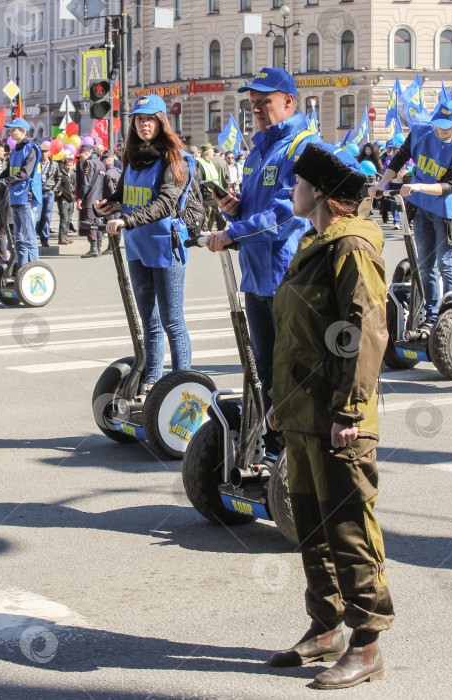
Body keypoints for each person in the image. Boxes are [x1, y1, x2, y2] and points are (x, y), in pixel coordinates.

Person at [267, 142, 393, 689]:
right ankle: (327, 625)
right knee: (312, 525)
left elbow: (366, 332)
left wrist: (351, 410)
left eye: (297, 183)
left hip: (339, 414)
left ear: (319, 192)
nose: (290, 191)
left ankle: (366, 645)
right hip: (304, 411)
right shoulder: (315, 243)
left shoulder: (351, 249)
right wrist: (282, 400)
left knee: (348, 528)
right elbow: (303, 334)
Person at [206, 66, 321, 456]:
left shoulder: (303, 146)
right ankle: (271, 446)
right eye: (252, 102)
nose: (256, 108)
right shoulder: (258, 151)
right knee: (263, 367)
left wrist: (231, 234)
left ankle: (293, 450)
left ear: (289, 102)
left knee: (288, 369)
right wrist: (234, 211)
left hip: (287, 275)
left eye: (264, 101)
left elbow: (284, 214)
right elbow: (255, 212)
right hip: (256, 276)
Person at [94, 94, 196, 391]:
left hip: (165, 247)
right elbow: (127, 196)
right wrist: (111, 205)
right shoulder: (132, 157)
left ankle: (182, 386)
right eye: (139, 118)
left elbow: (165, 203)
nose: (144, 124)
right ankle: (152, 382)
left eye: (150, 118)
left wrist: (127, 219)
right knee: (148, 323)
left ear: (162, 122)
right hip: (138, 246)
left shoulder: (175, 159)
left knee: (172, 322)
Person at [371, 98, 452, 332]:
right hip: (422, 206)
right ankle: (432, 316)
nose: (441, 129)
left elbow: (450, 185)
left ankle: (451, 315)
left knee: (445, 261)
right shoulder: (420, 132)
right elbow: (400, 158)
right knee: (425, 264)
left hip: (446, 208)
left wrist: (420, 186)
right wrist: (380, 184)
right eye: (438, 123)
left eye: (446, 125)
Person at [0, 117, 43, 269]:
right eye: (10, 130)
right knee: (18, 239)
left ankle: (34, 269)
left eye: (13, 130)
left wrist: (2, 183)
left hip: (27, 197)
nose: (10, 133)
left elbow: (25, 174)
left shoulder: (31, 148)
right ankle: (22, 268)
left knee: (29, 238)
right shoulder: (14, 151)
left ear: (23, 131)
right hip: (15, 197)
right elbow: (7, 171)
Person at [77, 143, 105, 258]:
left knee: (90, 223)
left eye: (81, 157)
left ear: (86, 153)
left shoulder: (89, 163)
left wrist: (80, 198)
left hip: (90, 199)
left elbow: (86, 184)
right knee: (97, 222)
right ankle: (98, 246)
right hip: (99, 198)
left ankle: (94, 247)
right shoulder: (101, 164)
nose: (80, 160)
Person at [36, 143, 61, 247]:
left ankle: (45, 238)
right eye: (42, 152)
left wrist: (54, 190)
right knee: (37, 217)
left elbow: (59, 178)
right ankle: (35, 236)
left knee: (47, 216)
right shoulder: (36, 163)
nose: (44, 154)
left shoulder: (54, 164)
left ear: (49, 153)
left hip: (49, 192)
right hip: (38, 192)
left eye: (45, 152)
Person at [99, 149, 122, 254]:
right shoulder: (117, 172)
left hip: (111, 204)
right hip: (117, 204)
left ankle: (112, 246)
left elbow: (111, 190)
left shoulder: (107, 174)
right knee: (117, 224)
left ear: (106, 161)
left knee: (111, 225)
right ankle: (114, 245)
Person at [195, 144, 220, 231]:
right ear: (207, 152)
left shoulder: (210, 163)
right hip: (205, 198)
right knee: (204, 223)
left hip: (213, 197)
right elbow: (196, 181)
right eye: (212, 150)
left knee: (211, 222)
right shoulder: (199, 162)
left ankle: (207, 236)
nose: (213, 152)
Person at [55, 156, 76, 245]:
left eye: (71, 165)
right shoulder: (61, 175)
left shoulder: (73, 175)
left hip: (71, 200)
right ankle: (61, 238)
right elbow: (56, 186)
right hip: (63, 200)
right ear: (64, 165)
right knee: (64, 219)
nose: (69, 167)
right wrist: (57, 191)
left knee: (69, 219)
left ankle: (65, 236)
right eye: (67, 165)